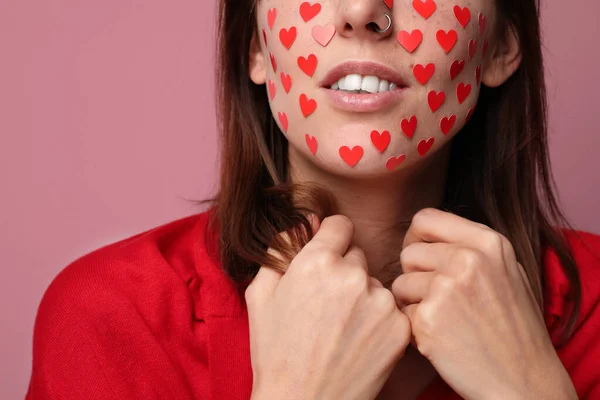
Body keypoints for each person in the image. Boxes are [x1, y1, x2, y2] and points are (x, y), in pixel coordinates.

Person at [26, 0, 600, 399]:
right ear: (255, 46)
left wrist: (530, 390)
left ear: (501, 44)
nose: (362, 12)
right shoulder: (113, 320)